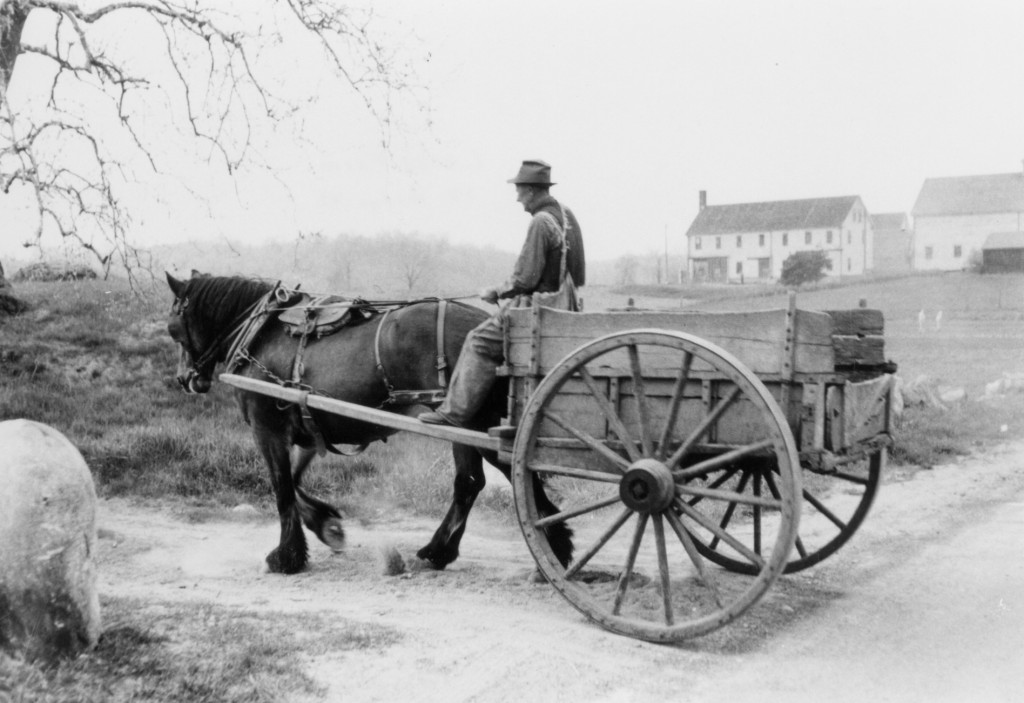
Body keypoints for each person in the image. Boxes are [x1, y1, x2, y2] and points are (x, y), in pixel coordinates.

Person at [419, 159, 585, 427]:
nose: (518, 198)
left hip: (537, 312)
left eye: (519, 190)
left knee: (478, 341)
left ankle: (454, 413)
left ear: (531, 190)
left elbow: (525, 278)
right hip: (562, 307)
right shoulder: (564, 216)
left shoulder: (541, 222)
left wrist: (495, 292)